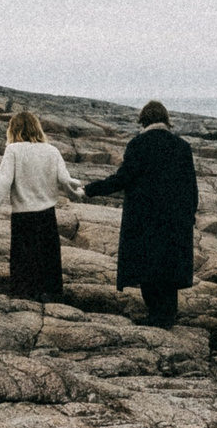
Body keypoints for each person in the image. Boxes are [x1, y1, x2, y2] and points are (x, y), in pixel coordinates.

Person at [84, 99, 198, 327]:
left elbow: (123, 178)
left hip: (144, 218)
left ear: (143, 121)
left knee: (148, 267)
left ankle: (156, 317)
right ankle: (167, 317)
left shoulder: (138, 144)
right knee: (169, 267)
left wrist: (90, 189)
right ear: (166, 120)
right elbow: (190, 187)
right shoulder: (182, 146)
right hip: (174, 218)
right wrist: (189, 216)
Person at [0, 110, 88, 301]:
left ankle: (24, 297)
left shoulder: (13, 150)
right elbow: (65, 179)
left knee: (24, 260)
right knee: (48, 258)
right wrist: (78, 194)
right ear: (37, 128)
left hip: (23, 216)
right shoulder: (52, 150)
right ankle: (51, 296)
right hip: (47, 215)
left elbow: (1, 183)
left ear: (13, 129)